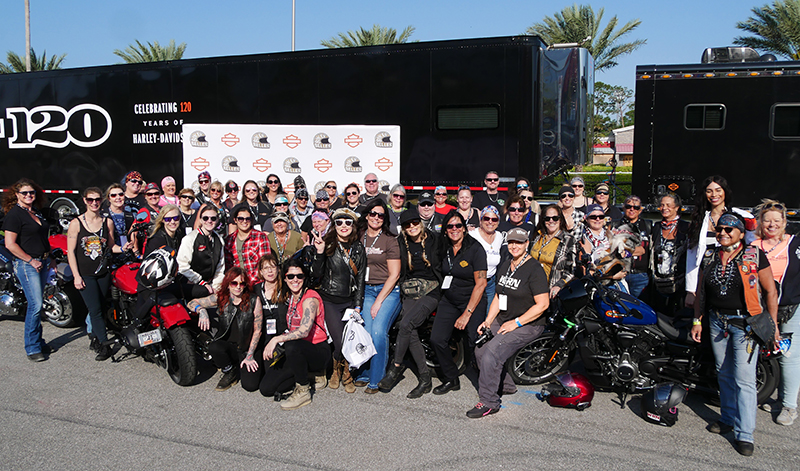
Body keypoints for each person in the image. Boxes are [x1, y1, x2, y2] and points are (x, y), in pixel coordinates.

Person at [690, 212, 779, 456]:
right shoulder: (710, 255)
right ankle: (728, 418)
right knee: (724, 373)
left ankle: (745, 433)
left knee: (744, 380)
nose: (723, 233)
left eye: (729, 229)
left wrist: (773, 325)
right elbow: (700, 292)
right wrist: (697, 320)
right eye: (720, 229)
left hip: (745, 324)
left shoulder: (754, 255)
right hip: (717, 322)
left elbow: (770, 292)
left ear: (741, 233)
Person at [469, 227, 549, 418]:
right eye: (511, 242)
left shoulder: (534, 269)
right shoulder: (506, 265)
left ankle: (489, 402)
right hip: (504, 319)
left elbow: (543, 304)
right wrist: (488, 321)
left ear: (526, 244)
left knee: (492, 353)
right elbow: (498, 296)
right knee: (480, 349)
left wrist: (517, 323)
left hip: (528, 324)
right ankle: (505, 386)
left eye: (519, 242)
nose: (514, 246)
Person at [378, 207, 443, 399]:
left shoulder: (435, 239)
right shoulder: (400, 242)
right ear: (403, 228)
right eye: (407, 224)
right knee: (408, 328)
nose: (412, 226)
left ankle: (395, 367)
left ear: (420, 222)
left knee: (407, 324)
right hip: (410, 291)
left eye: (415, 222)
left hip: (432, 291)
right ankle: (425, 378)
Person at [67, 187, 129, 361]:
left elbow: (110, 246)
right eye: (90, 200)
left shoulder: (106, 222)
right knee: (94, 310)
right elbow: (70, 252)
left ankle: (95, 338)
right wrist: (76, 276)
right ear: (85, 200)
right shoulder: (76, 223)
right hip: (85, 274)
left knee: (101, 307)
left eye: (97, 199)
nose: (94, 203)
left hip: (103, 273)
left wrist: (123, 248)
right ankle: (104, 345)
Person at [753, 200, 800, 426]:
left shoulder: (795, 244)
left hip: (790, 309)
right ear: (761, 222)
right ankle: (778, 397)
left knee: (788, 356)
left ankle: (789, 406)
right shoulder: (754, 245)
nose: (772, 225)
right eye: (767, 220)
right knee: (768, 353)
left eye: (777, 221)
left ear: (784, 223)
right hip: (761, 309)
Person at [309, 208, 366, 393]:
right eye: (339, 222)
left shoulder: (358, 248)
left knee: (350, 339)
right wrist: (319, 253)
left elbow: (360, 279)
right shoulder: (326, 243)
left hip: (349, 301)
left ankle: (347, 371)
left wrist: (358, 305)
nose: (344, 226)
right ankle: (335, 370)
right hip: (330, 300)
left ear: (353, 226)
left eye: (348, 222)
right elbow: (316, 275)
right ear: (334, 225)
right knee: (340, 341)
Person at [262, 259, 330, 410]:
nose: (295, 280)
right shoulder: (290, 296)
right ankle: (310, 375)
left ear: (305, 277)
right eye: (291, 276)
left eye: (299, 276)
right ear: (285, 278)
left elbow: (304, 330)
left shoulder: (310, 298)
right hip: (297, 351)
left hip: (316, 350)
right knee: (267, 388)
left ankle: (304, 390)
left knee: (292, 344)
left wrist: (276, 339)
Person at [432, 211, 487, 394]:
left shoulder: (475, 249)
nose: (454, 229)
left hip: (472, 300)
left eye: (458, 226)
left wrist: (467, 314)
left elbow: (481, 284)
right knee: (437, 339)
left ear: (464, 228)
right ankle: (451, 378)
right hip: (449, 299)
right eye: (450, 226)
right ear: (445, 230)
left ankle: (488, 379)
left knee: (475, 339)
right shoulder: (444, 247)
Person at [352, 200, 402, 394]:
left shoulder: (390, 239)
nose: (376, 217)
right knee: (365, 330)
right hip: (365, 290)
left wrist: (379, 300)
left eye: (380, 215)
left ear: (385, 219)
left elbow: (395, 274)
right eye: (373, 213)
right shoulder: (359, 235)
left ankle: (377, 378)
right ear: (367, 215)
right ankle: (363, 372)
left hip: (387, 291)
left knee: (378, 332)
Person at [188, 267, 263, 392]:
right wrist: (201, 311)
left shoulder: (254, 300)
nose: (238, 287)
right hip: (229, 347)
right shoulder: (222, 298)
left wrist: (250, 355)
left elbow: (257, 330)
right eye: (234, 283)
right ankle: (229, 370)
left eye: (241, 283)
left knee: (250, 386)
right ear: (228, 284)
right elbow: (192, 303)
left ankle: (242, 365)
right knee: (214, 347)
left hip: (246, 348)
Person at [686, 176, 756, 309]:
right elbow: (692, 256)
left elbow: (752, 247)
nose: (714, 195)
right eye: (709, 191)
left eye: (718, 190)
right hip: (705, 280)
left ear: (725, 191)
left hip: (733, 279)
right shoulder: (699, 219)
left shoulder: (742, 216)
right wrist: (690, 290)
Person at [2, 179, 53, 361]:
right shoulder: (14, 215)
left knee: (38, 305)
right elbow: (10, 244)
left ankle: (38, 341)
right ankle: (32, 348)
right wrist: (30, 260)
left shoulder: (35, 212)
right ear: (16, 195)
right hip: (27, 264)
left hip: (43, 262)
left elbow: (42, 238)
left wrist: (50, 258)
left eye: (31, 192)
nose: (29, 195)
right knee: (35, 305)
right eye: (24, 193)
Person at [649, 193, 690, 317]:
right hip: (659, 281)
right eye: (662, 205)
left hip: (679, 282)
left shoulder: (685, 227)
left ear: (677, 207)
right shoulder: (656, 227)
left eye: (668, 205)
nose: (664, 208)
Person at [177, 204, 225, 300]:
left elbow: (220, 267)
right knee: (203, 292)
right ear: (201, 220)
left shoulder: (219, 240)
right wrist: (201, 282)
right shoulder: (190, 239)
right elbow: (182, 266)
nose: (209, 221)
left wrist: (215, 287)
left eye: (213, 218)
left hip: (211, 284)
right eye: (205, 218)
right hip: (192, 282)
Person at [529, 205, 577, 297]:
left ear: (560, 220)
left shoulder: (568, 240)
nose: (551, 221)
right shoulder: (537, 237)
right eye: (547, 218)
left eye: (555, 218)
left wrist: (559, 286)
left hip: (551, 291)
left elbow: (571, 271)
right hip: (532, 289)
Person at [614, 195, 651, 299]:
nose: (632, 209)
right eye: (628, 206)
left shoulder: (647, 225)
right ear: (623, 208)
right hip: (620, 273)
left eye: (636, 207)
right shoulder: (615, 225)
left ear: (640, 210)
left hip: (640, 275)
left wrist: (625, 250)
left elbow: (642, 250)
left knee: (640, 307)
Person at [470, 206, 503, 317]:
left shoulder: (499, 237)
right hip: (474, 281)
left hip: (490, 283)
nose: (490, 222)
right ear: (480, 220)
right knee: (472, 313)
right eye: (486, 218)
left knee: (488, 315)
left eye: (494, 219)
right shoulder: (472, 235)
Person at [225, 205, 270, 285]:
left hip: (257, 282)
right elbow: (229, 266)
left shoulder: (260, 237)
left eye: (247, 219)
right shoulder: (229, 240)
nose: (244, 221)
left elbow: (264, 263)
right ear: (235, 220)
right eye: (241, 219)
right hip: (237, 284)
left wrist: (248, 282)